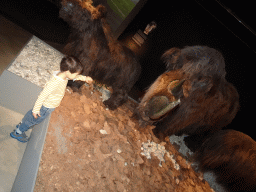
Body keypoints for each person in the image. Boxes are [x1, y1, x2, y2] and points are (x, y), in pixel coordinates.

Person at [10, 56, 93, 143]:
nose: (76, 75)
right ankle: (18, 132)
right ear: (68, 71)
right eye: (76, 73)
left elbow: (73, 77)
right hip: (46, 107)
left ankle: (21, 124)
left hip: (45, 106)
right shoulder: (55, 82)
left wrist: (85, 78)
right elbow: (43, 95)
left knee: (30, 116)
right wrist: (36, 109)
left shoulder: (63, 74)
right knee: (33, 121)